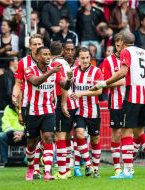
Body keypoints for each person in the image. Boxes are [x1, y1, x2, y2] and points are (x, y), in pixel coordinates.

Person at [91, 32, 145, 179]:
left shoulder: (126, 51)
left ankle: (128, 171)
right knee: (139, 133)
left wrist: (104, 83)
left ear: (123, 43)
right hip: (144, 98)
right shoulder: (144, 52)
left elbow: (122, 72)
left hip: (131, 97)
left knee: (125, 133)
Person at [24, 46, 72, 181]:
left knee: (49, 137)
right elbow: (35, 81)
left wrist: (68, 79)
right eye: (44, 54)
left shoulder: (55, 70)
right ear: (38, 57)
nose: (48, 57)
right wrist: (51, 72)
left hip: (49, 110)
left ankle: (47, 172)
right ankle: (30, 168)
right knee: (32, 143)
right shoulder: (30, 69)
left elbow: (65, 86)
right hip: (33, 111)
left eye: (49, 54)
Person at [69, 47, 104, 178]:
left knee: (95, 140)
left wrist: (81, 93)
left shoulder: (97, 71)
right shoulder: (72, 72)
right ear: (77, 59)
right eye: (82, 58)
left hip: (94, 111)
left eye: (87, 57)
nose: (85, 60)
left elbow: (99, 91)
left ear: (90, 58)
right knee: (79, 133)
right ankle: (88, 165)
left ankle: (96, 169)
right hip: (79, 110)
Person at [49, 41, 78, 179]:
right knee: (65, 136)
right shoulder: (65, 63)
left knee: (59, 136)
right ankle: (66, 169)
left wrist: (63, 103)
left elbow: (63, 84)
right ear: (61, 52)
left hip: (63, 101)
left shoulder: (55, 64)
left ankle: (62, 172)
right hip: (71, 102)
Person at [101, 33, 125, 176]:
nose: (120, 47)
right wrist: (121, 82)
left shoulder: (131, 59)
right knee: (116, 134)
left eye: (122, 44)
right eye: (117, 44)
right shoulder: (108, 61)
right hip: (116, 101)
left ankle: (128, 164)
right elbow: (105, 83)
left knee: (133, 133)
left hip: (131, 101)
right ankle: (117, 166)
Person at [12, 34, 44, 125]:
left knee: (48, 137)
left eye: (39, 44)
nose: (37, 46)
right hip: (29, 105)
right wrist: (14, 95)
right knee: (31, 139)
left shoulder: (49, 61)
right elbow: (18, 84)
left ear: (43, 44)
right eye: (34, 44)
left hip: (47, 105)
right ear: (30, 46)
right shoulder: (23, 62)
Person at [62, 40, 82, 177]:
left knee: (79, 134)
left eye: (72, 50)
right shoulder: (59, 64)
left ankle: (77, 165)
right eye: (67, 49)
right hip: (65, 104)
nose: (70, 52)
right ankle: (69, 164)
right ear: (63, 50)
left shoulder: (80, 65)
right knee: (66, 135)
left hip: (80, 105)